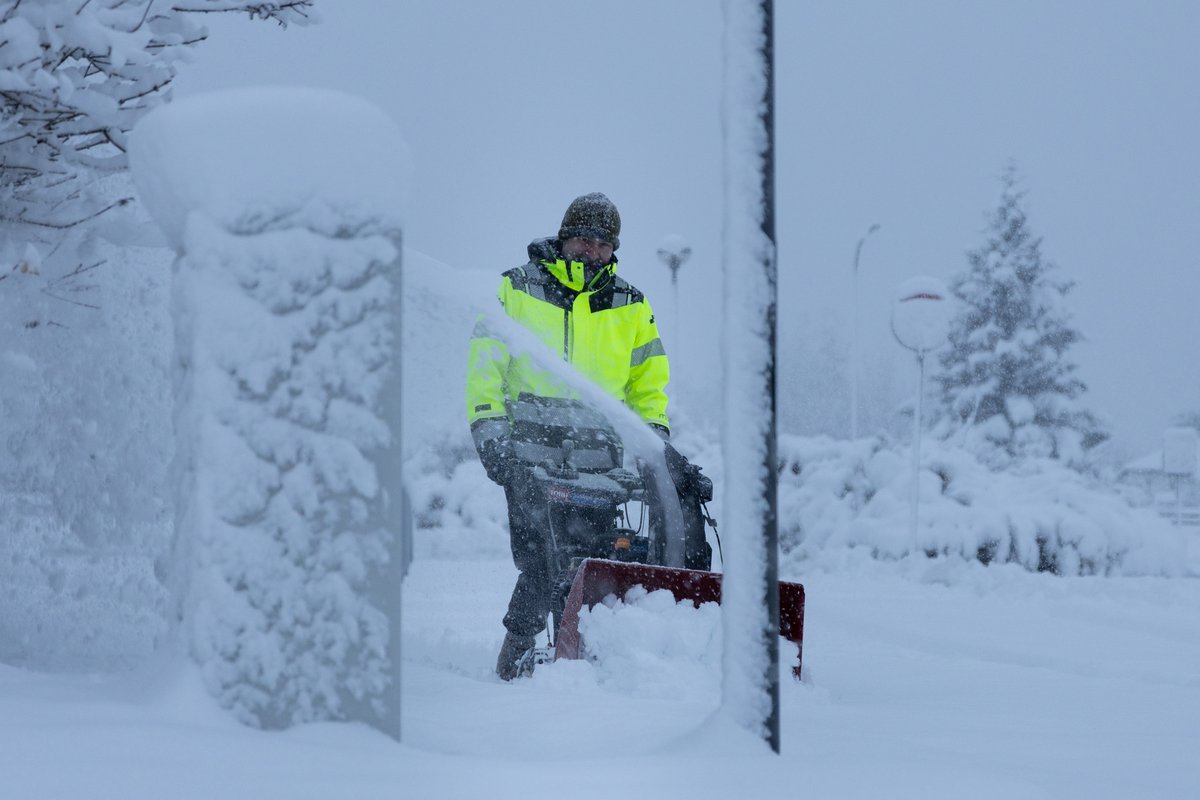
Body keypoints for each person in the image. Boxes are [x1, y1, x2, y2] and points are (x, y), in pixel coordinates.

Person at [466, 192, 686, 680]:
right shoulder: (517, 288)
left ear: (615, 249)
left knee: (599, 566)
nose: (592, 251)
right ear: (564, 238)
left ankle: (589, 662)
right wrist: (491, 436)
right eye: (584, 239)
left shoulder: (631, 304)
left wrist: (655, 445)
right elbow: (485, 370)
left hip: (598, 467)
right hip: (526, 460)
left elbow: (648, 385)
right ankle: (518, 656)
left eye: (604, 244)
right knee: (541, 564)